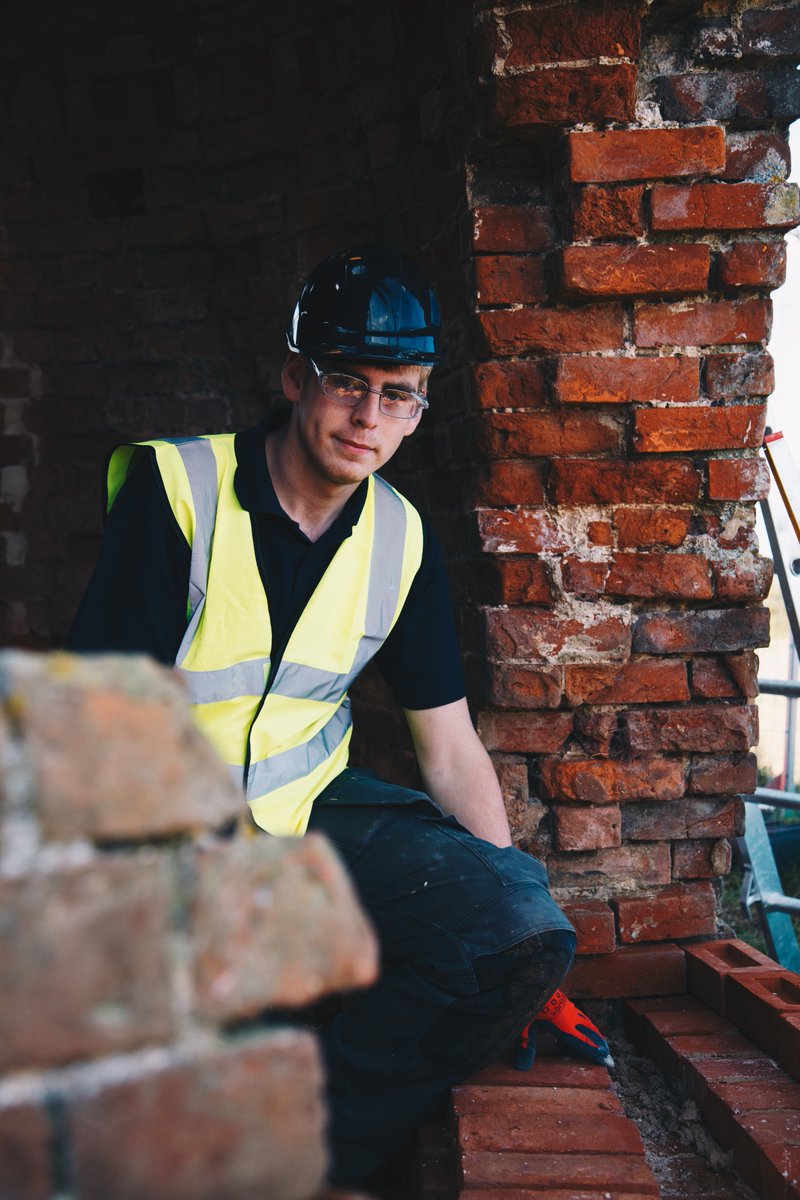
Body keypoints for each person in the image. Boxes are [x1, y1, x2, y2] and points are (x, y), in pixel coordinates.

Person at [67, 246, 577, 1188]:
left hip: (304, 812)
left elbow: (450, 744)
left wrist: (511, 913)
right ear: (296, 377)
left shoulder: (399, 535)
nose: (370, 417)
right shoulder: (177, 492)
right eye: (350, 382)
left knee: (514, 925)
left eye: (402, 394)